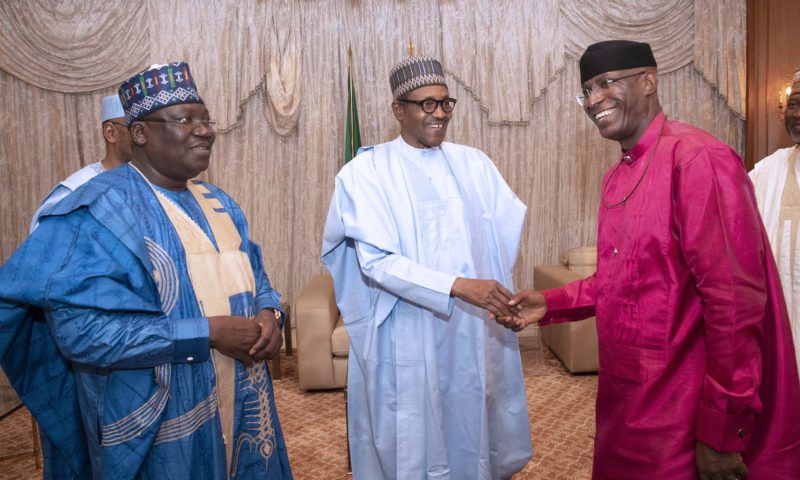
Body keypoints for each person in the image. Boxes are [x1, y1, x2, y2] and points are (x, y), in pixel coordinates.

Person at [502, 41, 800, 479]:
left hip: (682, 408)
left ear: (649, 81)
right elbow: (627, 280)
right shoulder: (618, 173)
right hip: (625, 404)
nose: (594, 100)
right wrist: (552, 303)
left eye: (606, 83)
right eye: (586, 90)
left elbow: (735, 307)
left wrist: (721, 430)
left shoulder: (699, 160)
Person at [0, 62, 292, 479]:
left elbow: (256, 273)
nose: (205, 130)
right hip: (159, 428)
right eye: (185, 119)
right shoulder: (97, 210)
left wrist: (269, 312)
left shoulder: (220, 202)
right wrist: (208, 332)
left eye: (205, 119)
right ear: (139, 133)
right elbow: (83, 335)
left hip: (244, 405)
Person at [321, 55, 532, 479]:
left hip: (470, 329)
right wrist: (456, 284)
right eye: (426, 105)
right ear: (399, 110)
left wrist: (497, 298)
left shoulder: (474, 163)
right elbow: (376, 262)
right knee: (413, 434)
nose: (439, 114)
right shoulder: (365, 172)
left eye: (445, 103)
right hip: (407, 330)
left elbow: (499, 235)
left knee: (471, 417)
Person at [749, 68, 800, 376]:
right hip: (779, 322)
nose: (797, 113)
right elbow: (728, 216)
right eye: (793, 103)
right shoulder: (769, 170)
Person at [30, 94, 132, 231]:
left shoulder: (153, 184)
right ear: (111, 133)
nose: (144, 135)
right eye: (135, 128)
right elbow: (45, 245)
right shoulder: (76, 190)